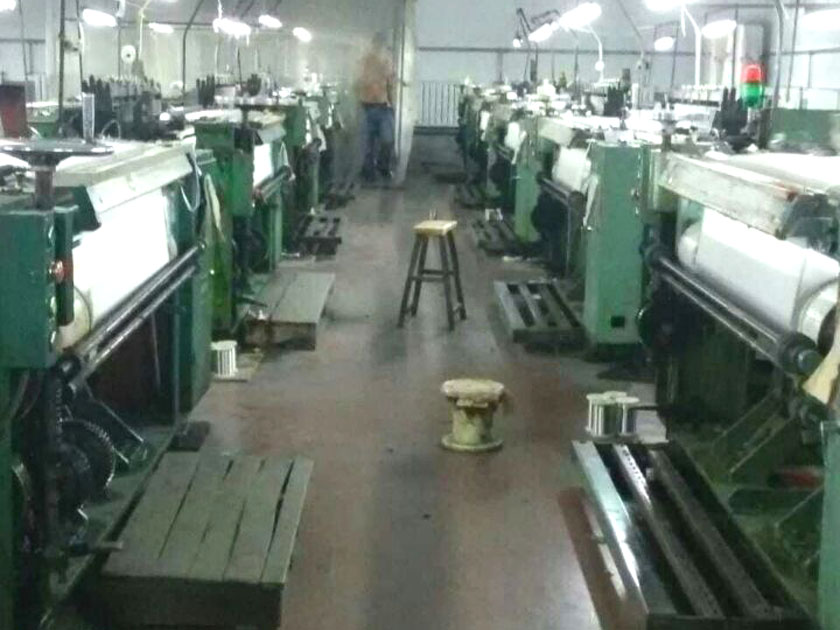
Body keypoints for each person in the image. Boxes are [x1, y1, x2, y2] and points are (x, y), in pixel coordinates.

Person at [357, 32, 396, 183]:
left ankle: (382, 166)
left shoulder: (387, 61)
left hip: (382, 106)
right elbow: (359, 80)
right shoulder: (366, 61)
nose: (379, 48)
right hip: (367, 105)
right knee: (369, 142)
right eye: (378, 45)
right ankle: (369, 171)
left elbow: (390, 83)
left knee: (387, 140)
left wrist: (392, 103)